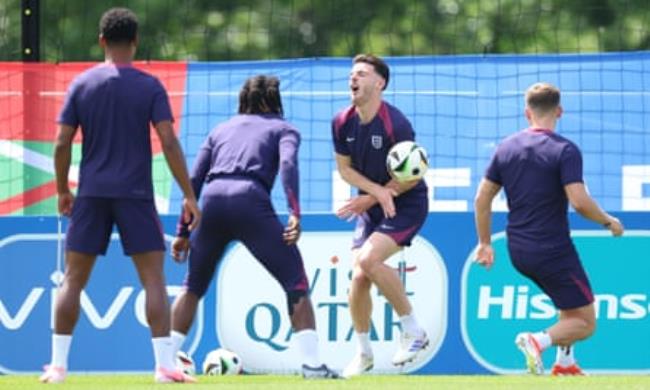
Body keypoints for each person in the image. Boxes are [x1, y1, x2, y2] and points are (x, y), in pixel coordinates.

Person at [42, 7, 201, 384]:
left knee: (72, 280)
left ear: (101, 41)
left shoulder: (81, 85)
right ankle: (164, 367)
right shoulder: (149, 86)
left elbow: (62, 142)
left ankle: (58, 367)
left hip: (92, 194)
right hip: (135, 194)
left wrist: (64, 189)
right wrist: (190, 195)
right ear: (135, 41)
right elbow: (169, 141)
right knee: (154, 281)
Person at [169, 75, 339, 379]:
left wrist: (183, 232)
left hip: (212, 199)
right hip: (249, 199)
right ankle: (313, 365)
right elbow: (288, 165)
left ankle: (166, 363)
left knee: (192, 285)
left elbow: (193, 180)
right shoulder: (284, 128)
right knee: (295, 281)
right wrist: (295, 213)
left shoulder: (220, 130)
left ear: (243, 100)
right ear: (271, 100)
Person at [474, 82, 624, 375]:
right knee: (586, 322)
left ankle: (565, 362)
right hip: (551, 248)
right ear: (560, 111)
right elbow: (579, 203)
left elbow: (482, 198)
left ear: (527, 112)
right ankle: (537, 341)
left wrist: (484, 242)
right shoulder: (565, 150)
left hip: (517, 248)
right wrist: (609, 221)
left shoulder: (505, 148)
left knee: (569, 304)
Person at [331, 54, 429, 378]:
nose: (352, 79)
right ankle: (364, 353)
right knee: (359, 277)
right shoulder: (342, 121)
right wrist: (374, 194)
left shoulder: (396, 124)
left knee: (369, 262)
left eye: (361, 73)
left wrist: (376, 195)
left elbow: (412, 175)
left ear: (379, 83)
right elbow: (344, 170)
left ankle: (414, 331)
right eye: (351, 74)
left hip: (407, 203)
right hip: (374, 205)